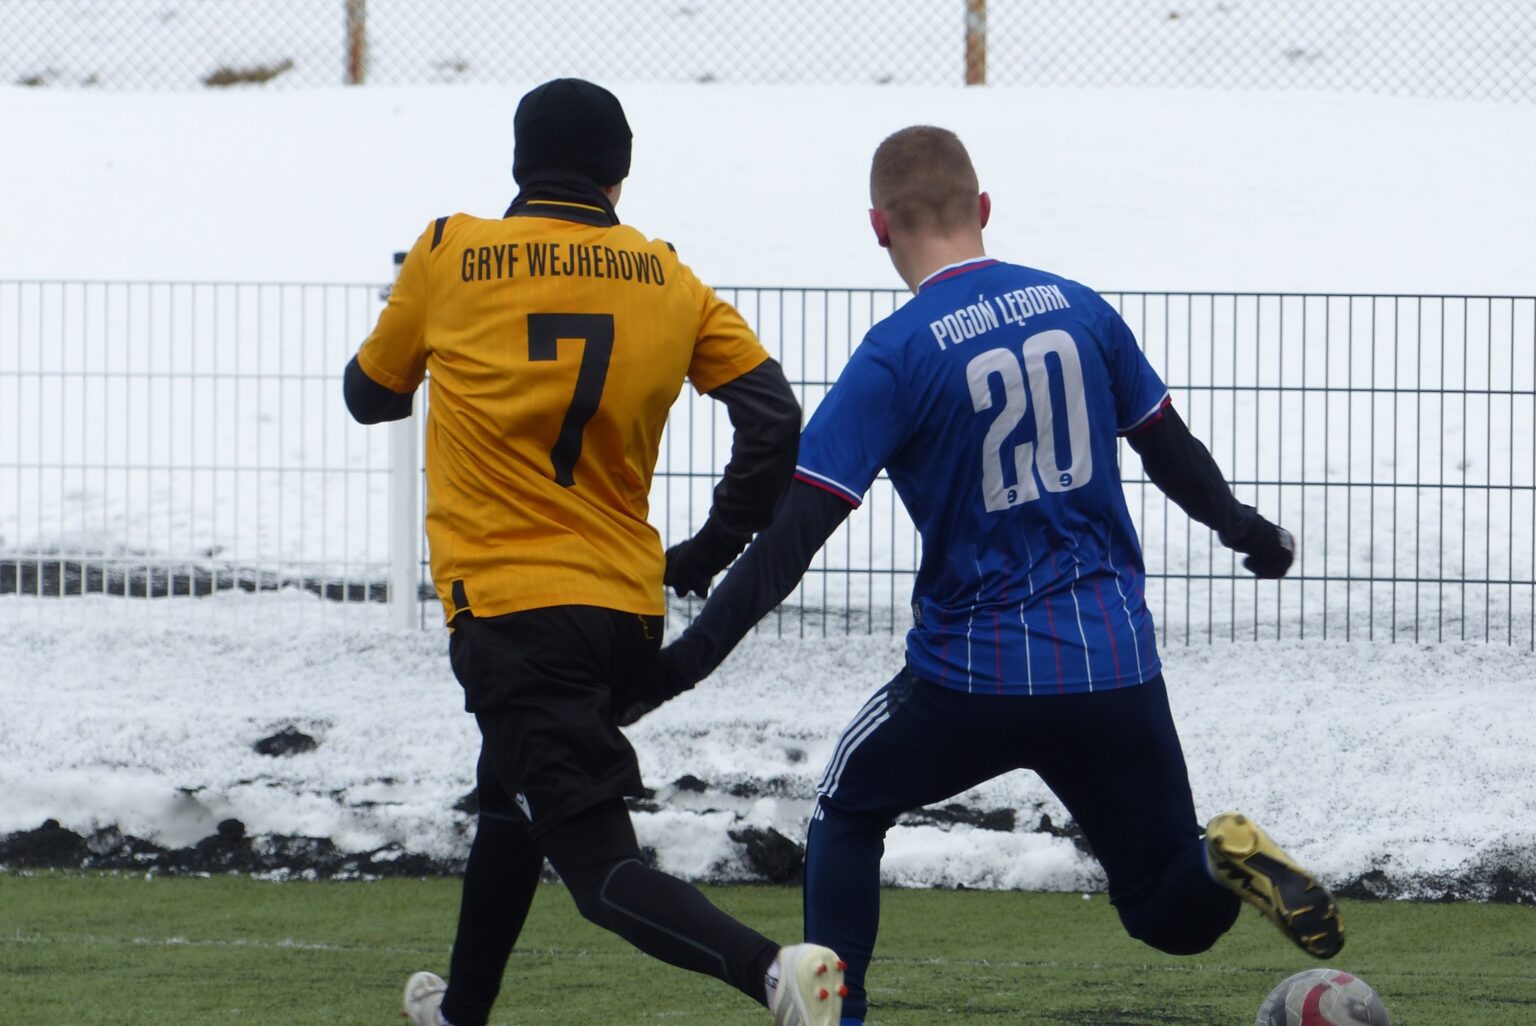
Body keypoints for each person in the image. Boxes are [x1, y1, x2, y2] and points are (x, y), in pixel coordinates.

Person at [631, 125, 1344, 1025]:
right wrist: (1250, 532)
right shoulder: (1078, 309)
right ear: (985, 207)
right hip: (1114, 667)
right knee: (1168, 912)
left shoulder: (895, 354)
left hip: (974, 678)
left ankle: (837, 1016)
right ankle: (1222, 861)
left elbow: (790, 539)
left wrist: (679, 666)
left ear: (879, 228)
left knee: (847, 808)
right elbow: (1169, 448)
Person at [343, 78, 846, 1026]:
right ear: (619, 175)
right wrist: (709, 546)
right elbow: (773, 417)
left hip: (511, 611)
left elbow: (369, 396)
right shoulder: (666, 274)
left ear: (519, 165)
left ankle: (772, 976)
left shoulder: (449, 251)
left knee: (598, 868)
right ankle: (461, 1011)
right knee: (510, 798)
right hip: (622, 610)